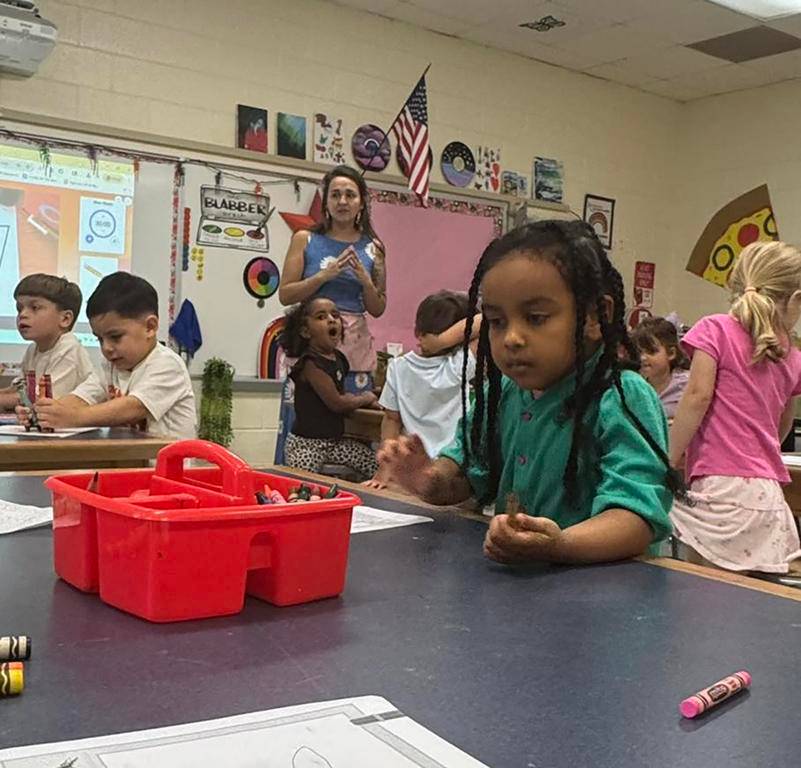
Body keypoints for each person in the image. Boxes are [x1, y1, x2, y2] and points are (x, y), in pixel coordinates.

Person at [377, 220, 676, 565]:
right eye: (497, 322)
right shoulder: (501, 393)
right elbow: (466, 473)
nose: (511, 339)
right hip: (522, 593)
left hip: (603, 599)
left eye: (535, 318)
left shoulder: (622, 396)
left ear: (596, 316)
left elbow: (635, 519)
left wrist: (559, 545)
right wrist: (429, 479)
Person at [669, 241, 801, 573]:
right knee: (751, 605)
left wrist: (667, 457)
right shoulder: (793, 355)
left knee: (702, 598)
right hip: (768, 497)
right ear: (795, 300)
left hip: (719, 489)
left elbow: (697, 397)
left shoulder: (716, 329)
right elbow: (783, 421)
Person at [276, 164, 386, 464]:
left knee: (356, 427)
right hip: (312, 342)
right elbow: (285, 293)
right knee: (308, 421)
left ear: (361, 202)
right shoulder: (305, 239)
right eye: (335, 194)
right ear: (325, 201)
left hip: (355, 345)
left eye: (350, 194)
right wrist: (324, 276)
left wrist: (365, 279)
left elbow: (378, 307)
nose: (342, 201)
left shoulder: (374, 248)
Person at [19, 273, 196, 439]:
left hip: (171, 470)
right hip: (133, 465)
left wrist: (73, 417)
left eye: (115, 337)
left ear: (150, 327)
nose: (107, 348)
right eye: (99, 339)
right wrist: (43, 413)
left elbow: (133, 407)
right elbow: (83, 397)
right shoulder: (110, 366)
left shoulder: (167, 364)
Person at [365, 290, 476, 489]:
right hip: (451, 466)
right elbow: (484, 323)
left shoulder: (398, 367)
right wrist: (443, 340)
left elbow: (391, 420)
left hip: (412, 465)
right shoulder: (460, 365)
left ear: (417, 331)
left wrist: (386, 467)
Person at [280, 297, 379, 479]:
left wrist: (367, 402)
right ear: (305, 331)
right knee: (304, 487)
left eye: (335, 315)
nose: (332, 320)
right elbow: (337, 403)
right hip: (306, 445)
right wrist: (365, 398)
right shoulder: (310, 364)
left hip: (334, 443)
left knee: (373, 463)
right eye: (321, 317)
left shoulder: (339, 359)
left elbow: (342, 395)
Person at [0, 274, 93, 410]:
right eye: (19, 308)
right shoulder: (33, 349)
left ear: (65, 319)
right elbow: (19, 390)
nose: (22, 314)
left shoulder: (69, 350)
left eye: (35, 307)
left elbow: (41, 398)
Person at [631, 317, 690, 420]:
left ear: (671, 353)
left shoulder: (687, 386)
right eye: (639, 352)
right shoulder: (633, 386)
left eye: (651, 351)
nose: (643, 357)